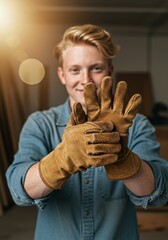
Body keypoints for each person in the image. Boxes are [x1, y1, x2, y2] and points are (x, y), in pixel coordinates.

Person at [6, 24, 168, 240]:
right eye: (75, 69)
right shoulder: (39, 124)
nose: (86, 79)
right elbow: (20, 189)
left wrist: (124, 161)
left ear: (110, 71)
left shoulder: (137, 125)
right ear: (62, 75)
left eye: (96, 68)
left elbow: (159, 192)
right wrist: (61, 160)